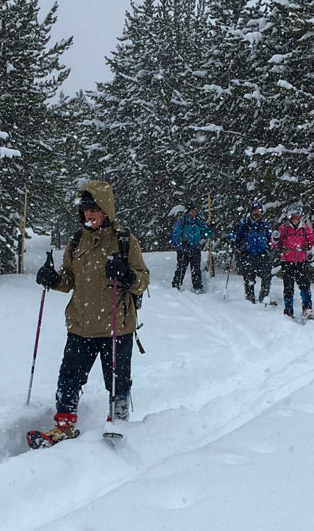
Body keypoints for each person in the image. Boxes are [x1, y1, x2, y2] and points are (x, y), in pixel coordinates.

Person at [27, 180, 150, 447]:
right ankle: (64, 425)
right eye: (85, 209)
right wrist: (51, 279)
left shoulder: (125, 241)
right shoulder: (76, 240)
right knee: (69, 378)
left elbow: (142, 281)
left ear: (106, 208)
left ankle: (118, 422)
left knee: (117, 382)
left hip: (117, 325)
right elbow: (69, 280)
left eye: (94, 208)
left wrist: (127, 274)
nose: (89, 214)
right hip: (81, 324)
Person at [271, 202, 314, 319]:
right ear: (289, 217)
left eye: (298, 216)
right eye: (293, 217)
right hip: (287, 261)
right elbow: (274, 244)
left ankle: (307, 308)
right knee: (288, 287)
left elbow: (313, 242)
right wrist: (275, 238)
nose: (296, 219)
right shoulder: (284, 228)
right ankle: (288, 311)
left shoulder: (305, 228)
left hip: (301, 261)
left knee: (304, 285)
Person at [227, 200, 274, 304]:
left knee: (267, 277)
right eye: (255, 211)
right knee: (249, 279)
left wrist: (271, 246)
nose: (257, 213)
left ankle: (263, 298)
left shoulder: (265, 225)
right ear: (251, 212)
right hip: (248, 255)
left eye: (259, 211)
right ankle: (250, 300)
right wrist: (234, 235)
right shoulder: (244, 224)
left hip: (262, 254)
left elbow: (272, 238)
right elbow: (232, 236)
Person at [169, 202, 210, 292]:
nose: (194, 212)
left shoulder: (198, 221)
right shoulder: (182, 221)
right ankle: (176, 286)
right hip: (183, 249)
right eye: (192, 211)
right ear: (188, 211)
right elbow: (176, 234)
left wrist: (210, 229)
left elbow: (206, 232)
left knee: (196, 269)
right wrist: (181, 243)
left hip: (195, 248)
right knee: (181, 268)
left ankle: (197, 287)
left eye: (195, 211)